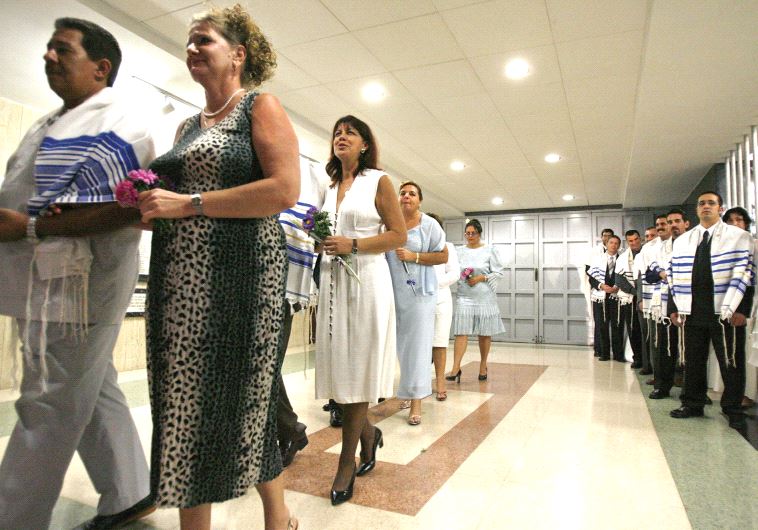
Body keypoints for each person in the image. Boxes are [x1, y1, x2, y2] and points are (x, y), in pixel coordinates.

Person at [137, 5, 300, 529]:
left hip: (242, 281)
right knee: (183, 409)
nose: (191, 49)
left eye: (202, 40)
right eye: (188, 42)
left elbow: (283, 190)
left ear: (238, 53)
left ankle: (277, 516)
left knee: (243, 405)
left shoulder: (260, 105)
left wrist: (186, 205)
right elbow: (181, 200)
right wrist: (153, 209)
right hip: (180, 283)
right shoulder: (188, 124)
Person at [0, 18, 154, 529]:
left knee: (46, 406)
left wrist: (27, 227)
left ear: (100, 67)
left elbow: (126, 209)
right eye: (48, 47)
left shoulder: (121, 124)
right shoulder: (48, 123)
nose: (48, 56)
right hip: (42, 286)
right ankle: (131, 493)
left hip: (78, 293)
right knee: (95, 388)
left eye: (62, 50)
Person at [314, 115, 406, 505]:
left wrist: (353, 244)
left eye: (350, 132)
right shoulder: (329, 184)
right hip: (333, 283)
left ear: (365, 144)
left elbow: (398, 235)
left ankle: (346, 463)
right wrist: (322, 240)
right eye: (337, 132)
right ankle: (369, 435)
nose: (341, 137)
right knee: (341, 373)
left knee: (357, 370)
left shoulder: (378, 181)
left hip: (366, 283)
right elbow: (331, 235)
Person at [668, 192, 753, 431]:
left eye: (711, 203)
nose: (706, 206)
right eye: (701, 203)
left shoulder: (739, 237)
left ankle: (732, 408)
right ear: (697, 209)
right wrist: (675, 308)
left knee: (731, 362)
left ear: (720, 208)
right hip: (692, 309)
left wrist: (742, 310)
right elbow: (673, 276)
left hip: (725, 310)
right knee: (693, 361)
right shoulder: (685, 240)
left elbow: (747, 274)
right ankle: (692, 403)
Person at [276, 158, 329, 466]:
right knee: (257, 364)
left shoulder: (311, 178)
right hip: (249, 275)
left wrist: (317, 240)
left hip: (281, 287)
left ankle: (289, 429)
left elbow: (322, 233)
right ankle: (287, 428)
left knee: (265, 366)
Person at [387, 182, 446, 425]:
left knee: (419, 347)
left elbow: (443, 255)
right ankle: (407, 390)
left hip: (421, 294)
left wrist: (415, 256)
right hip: (393, 292)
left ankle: (417, 402)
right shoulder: (389, 223)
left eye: (412, 193)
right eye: (402, 193)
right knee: (401, 346)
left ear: (420, 200)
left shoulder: (429, 225)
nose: (406, 196)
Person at [447, 219, 506, 382]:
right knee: (460, 331)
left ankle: (483, 365)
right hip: (464, 296)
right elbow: (452, 269)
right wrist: (463, 275)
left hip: (484, 296)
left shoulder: (490, 250)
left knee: (484, 332)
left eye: (473, 233)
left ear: (479, 234)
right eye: (467, 233)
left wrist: (482, 277)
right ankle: (455, 367)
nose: (470, 236)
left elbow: (499, 272)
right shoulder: (458, 251)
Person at [646, 209, 690, 399]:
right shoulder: (661, 248)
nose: (673, 225)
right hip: (664, 306)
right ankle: (663, 386)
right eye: (669, 222)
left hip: (690, 303)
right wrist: (663, 274)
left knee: (692, 351)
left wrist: (669, 274)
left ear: (686, 223)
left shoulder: (694, 243)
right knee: (665, 348)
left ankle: (693, 390)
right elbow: (650, 273)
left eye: (676, 221)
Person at [722, 206, 757, 409]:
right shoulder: (724, 247)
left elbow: (748, 280)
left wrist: (742, 309)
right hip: (726, 305)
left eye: (739, 220)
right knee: (732, 353)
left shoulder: (753, 244)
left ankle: (746, 394)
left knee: (746, 351)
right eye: (731, 221)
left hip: (747, 305)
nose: (735, 224)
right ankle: (735, 394)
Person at [428, 213, 459, 401]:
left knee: (439, 342)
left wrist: (433, 283)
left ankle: (440, 382)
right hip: (418, 300)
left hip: (440, 299)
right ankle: (418, 385)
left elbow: (455, 273)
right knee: (419, 345)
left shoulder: (448, 247)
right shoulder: (414, 245)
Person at [587, 235, 624, 361]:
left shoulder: (623, 259)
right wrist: (601, 285)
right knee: (602, 325)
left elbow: (627, 277)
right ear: (606, 244)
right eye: (611, 242)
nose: (613, 245)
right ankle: (604, 353)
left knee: (617, 325)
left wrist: (617, 287)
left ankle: (618, 355)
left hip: (617, 297)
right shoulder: (598, 259)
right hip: (600, 298)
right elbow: (592, 279)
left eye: (616, 243)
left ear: (619, 245)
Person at [614, 230, 643, 367]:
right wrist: (636, 292)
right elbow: (619, 280)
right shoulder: (623, 258)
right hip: (630, 298)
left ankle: (649, 361)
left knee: (647, 331)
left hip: (648, 298)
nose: (634, 242)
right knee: (634, 329)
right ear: (627, 242)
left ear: (640, 239)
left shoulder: (647, 253)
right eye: (630, 240)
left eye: (636, 239)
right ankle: (638, 358)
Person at [586, 228, 614, 357]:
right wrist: (600, 285)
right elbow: (588, 271)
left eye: (609, 236)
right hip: (599, 291)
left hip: (614, 293)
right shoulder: (594, 252)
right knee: (599, 322)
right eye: (605, 236)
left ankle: (613, 350)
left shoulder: (618, 252)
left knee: (613, 323)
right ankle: (599, 349)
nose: (607, 238)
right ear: (601, 237)